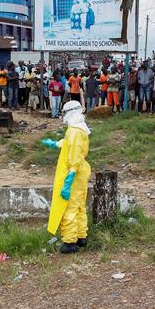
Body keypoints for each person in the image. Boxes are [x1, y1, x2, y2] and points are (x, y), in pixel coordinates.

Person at [41, 101, 91, 254]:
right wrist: (56, 144)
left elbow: (75, 153)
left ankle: (70, 242)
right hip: (80, 172)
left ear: (69, 113)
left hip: (73, 173)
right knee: (79, 205)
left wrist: (69, 179)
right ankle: (81, 236)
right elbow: (70, 144)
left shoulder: (75, 131)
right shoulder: (78, 128)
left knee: (69, 207)